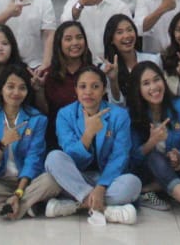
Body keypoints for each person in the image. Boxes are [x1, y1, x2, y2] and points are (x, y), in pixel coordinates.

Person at [42, 65, 140, 223]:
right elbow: (70, 153)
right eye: (82, 86)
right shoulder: (65, 114)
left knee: (133, 183)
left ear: (104, 90)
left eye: (95, 87)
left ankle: (74, 205)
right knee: (54, 158)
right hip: (77, 177)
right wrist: (88, 134)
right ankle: (104, 209)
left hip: (107, 179)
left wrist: (101, 187)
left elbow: (120, 157)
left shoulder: (119, 115)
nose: (88, 92)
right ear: (75, 90)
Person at [0, 64, 60, 219]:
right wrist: (2, 144)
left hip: (27, 182)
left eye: (22, 88)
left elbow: (34, 159)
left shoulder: (37, 119)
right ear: (1, 89)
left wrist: (19, 193)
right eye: (10, 87)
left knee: (52, 180)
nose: (16, 93)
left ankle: (3, 208)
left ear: (27, 92)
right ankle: (25, 207)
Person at [123, 61, 180, 228]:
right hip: (147, 169)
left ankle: (150, 190)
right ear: (138, 90)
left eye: (157, 80)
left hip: (175, 167)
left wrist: (179, 156)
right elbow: (131, 159)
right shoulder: (130, 116)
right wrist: (151, 142)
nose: (154, 87)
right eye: (146, 83)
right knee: (155, 158)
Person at [61, 0, 132, 59]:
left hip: (113, 60)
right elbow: (65, 25)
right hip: (82, 62)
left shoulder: (120, 7)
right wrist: (82, 3)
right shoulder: (73, 4)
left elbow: (128, 36)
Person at [42, 21, 92, 146]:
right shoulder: (47, 75)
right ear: (59, 44)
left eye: (79, 38)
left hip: (92, 136)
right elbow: (45, 112)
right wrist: (38, 90)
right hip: (58, 139)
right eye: (68, 39)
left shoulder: (93, 72)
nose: (75, 43)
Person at [100, 14, 159, 104]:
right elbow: (117, 105)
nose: (126, 35)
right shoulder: (107, 68)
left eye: (129, 30)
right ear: (111, 39)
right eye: (120, 32)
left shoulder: (153, 60)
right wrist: (113, 81)